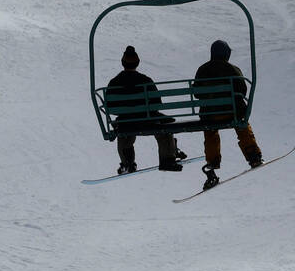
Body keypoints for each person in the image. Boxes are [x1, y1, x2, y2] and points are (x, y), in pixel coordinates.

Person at [194, 39, 262, 189]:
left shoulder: (202, 70)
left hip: (210, 115)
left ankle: (212, 164)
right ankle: (253, 156)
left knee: (210, 132)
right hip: (232, 113)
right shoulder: (233, 69)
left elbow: (197, 93)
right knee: (242, 126)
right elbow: (242, 90)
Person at [106, 45, 186, 173]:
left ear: (123, 63)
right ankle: (167, 159)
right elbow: (156, 104)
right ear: (137, 63)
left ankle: (127, 163)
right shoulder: (146, 80)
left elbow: (110, 106)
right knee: (164, 128)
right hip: (147, 119)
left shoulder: (114, 82)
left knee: (124, 131)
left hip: (125, 121)